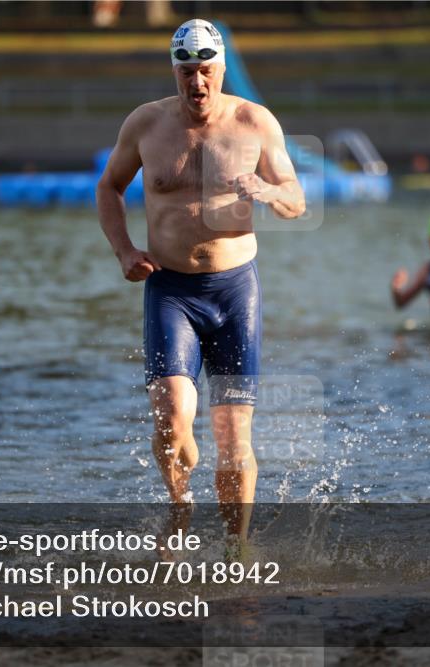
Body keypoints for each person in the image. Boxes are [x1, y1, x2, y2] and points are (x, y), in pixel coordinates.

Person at [96, 19, 305, 547]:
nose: (197, 82)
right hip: (170, 291)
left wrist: (267, 191)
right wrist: (124, 251)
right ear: (174, 71)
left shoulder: (254, 122)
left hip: (234, 293)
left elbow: (296, 199)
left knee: (233, 439)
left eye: (206, 70)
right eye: (186, 72)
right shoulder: (146, 124)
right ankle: (180, 506)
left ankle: (237, 547)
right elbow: (109, 187)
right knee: (171, 420)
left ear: (222, 68)